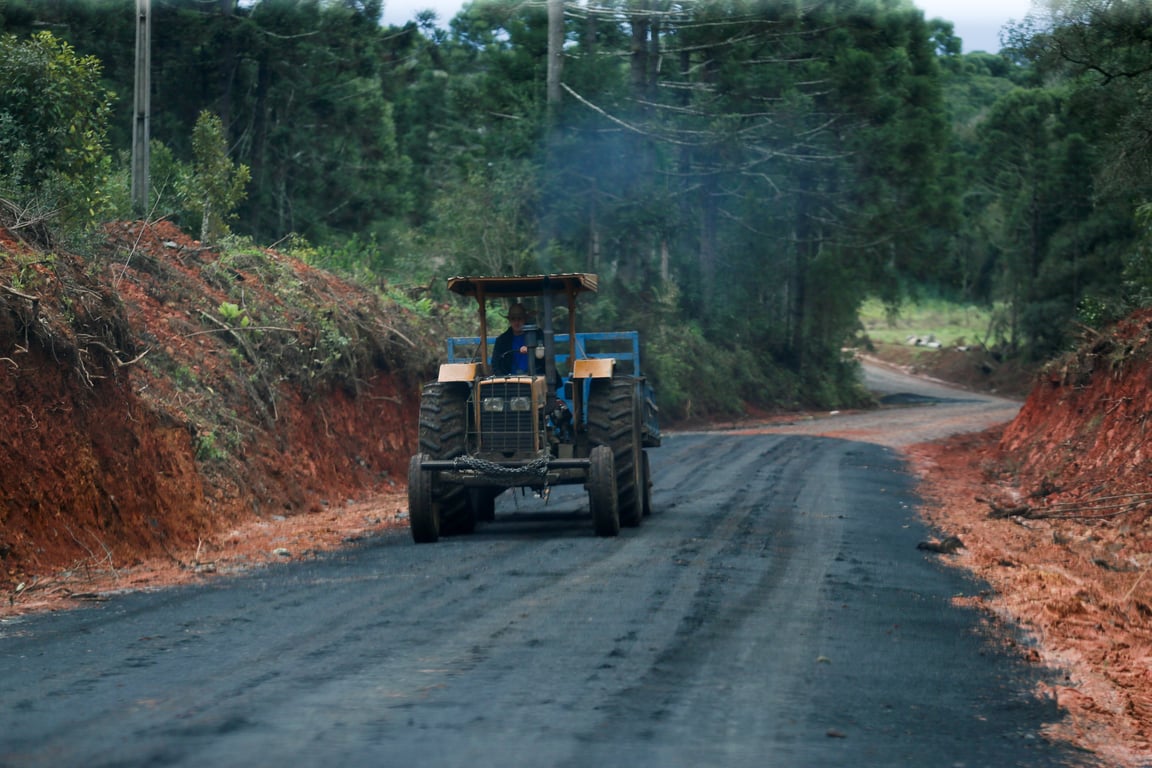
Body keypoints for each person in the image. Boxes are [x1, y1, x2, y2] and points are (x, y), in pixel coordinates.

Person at [491, 303, 535, 375]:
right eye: (513, 319)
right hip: (510, 379)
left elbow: (545, 357)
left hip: (535, 377)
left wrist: (532, 350)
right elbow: (495, 365)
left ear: (525, 319)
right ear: (509, 320)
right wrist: (504, 379)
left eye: (519, 318)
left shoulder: (536, 336)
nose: (516, 322)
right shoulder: (501, 340)